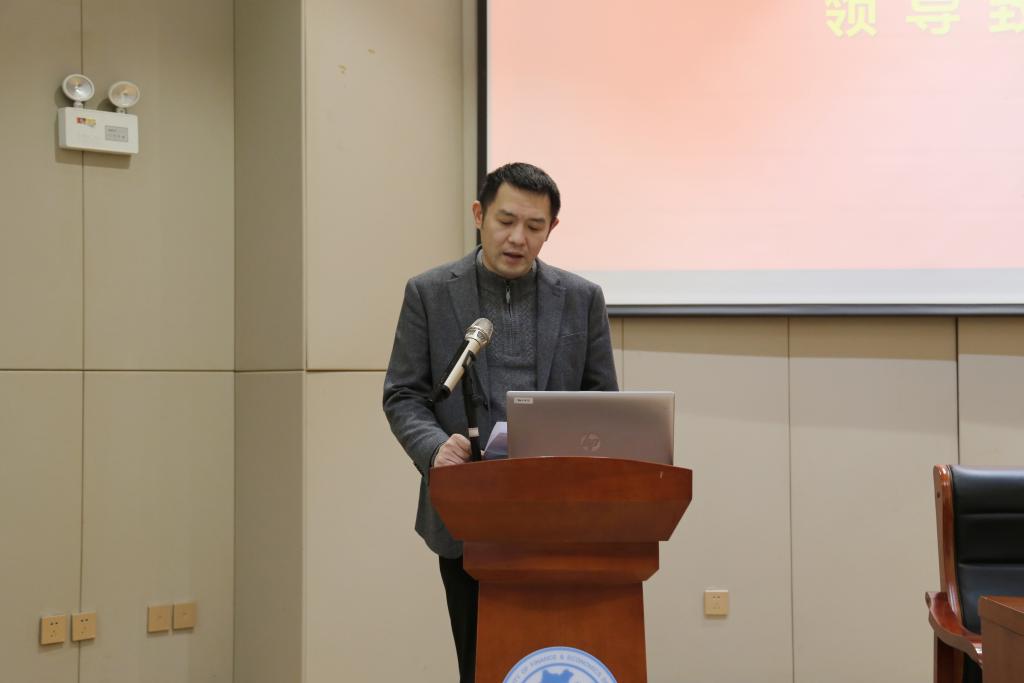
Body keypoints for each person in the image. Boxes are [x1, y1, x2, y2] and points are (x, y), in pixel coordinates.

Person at [382, 162, 618, 682]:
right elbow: (403, 394)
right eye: (506, 221)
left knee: (558, 661)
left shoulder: (582, 298)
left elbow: (603, 401)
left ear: (552, 229)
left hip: (558, 515)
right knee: (481, 664)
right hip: (468, 514)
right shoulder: (429, 293)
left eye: (534, 226)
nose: (517, 238)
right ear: (478, 215)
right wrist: (434, 448)